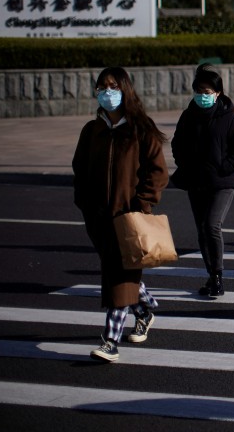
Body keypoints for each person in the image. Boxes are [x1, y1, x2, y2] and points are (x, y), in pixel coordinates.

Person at [73, 67, 169, 363]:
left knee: (118, 277)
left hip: (130, 217)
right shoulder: (93, 130)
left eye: (113, 86)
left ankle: (110, 341)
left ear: (125, 90)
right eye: (102, 87)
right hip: (99, 218)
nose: (107, 92)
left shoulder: (141, 129)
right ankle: (145, 309)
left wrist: (142, 204)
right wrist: (85, 202)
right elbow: (80, 169)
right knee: (119, 271)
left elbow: (157, 172)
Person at [171, 65, 234, 297]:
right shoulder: (188, 116)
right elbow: (177, 144)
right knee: (201, 230)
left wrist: (224, 167)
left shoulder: (229, 118)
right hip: (196, 181)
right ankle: (211, 275)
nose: (202, 96)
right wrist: (184, 164)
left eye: (207, 91)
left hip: (222, 183)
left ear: (217, 93)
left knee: (211, 225)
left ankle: (217, 275)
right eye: (198, 91)